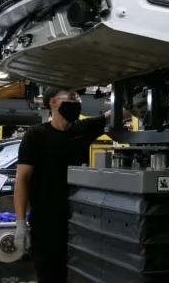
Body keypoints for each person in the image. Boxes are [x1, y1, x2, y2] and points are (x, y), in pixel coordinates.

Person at [14, 89, 140, 282]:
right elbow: (22, 179)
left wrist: (142, 101)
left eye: (77, 98)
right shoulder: (36, 134)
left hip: (79, 221)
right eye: (71, 98)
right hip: (46, 222)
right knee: (50, 275)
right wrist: (20, 223)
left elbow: (114, 114)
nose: (77, 102)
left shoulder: (82, 129)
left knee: (79, 274)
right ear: (54, 103)